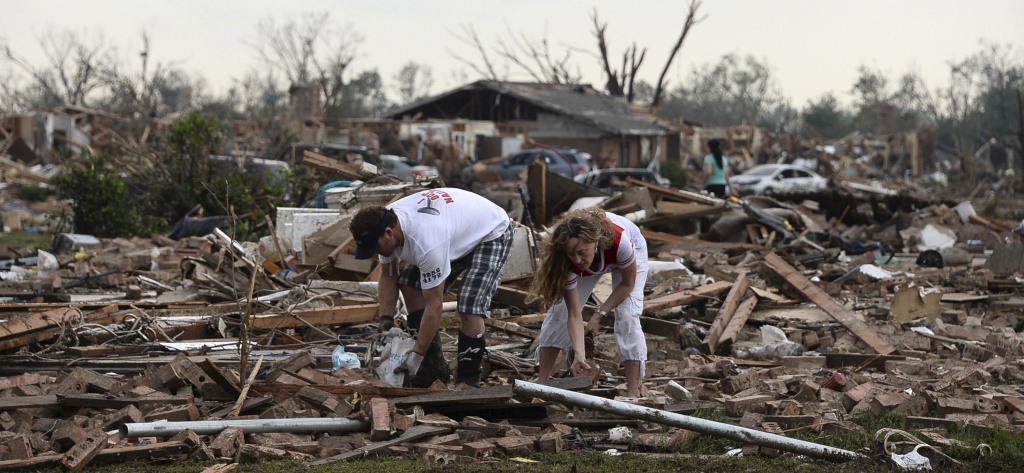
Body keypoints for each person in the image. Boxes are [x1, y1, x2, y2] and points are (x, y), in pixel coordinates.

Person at [350, 188, 513, 388]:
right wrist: (385, 319)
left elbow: (435, 305)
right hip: (455, 230)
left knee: (469, 304)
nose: (375, 254)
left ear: (389, 234)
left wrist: (416, 355)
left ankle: (468, 380)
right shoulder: (384, 221)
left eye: (375, 248)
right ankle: (433, 367)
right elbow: (389, 275)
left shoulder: (426, 243)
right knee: (410, 284)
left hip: (491, 231)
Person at [528, 207, 648, 398]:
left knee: (627, 315)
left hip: (628, 253)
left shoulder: (620, 243)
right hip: (599, 255)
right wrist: (579, 355)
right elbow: (574, 314)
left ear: (595, 242)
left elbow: (627, 284)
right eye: (571, 254)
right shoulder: (566, 261)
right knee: (559, 312)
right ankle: (543, 381)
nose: (577, 260)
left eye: (582, 252)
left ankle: (633, 391)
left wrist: (599, 314)